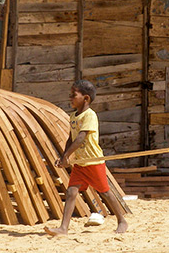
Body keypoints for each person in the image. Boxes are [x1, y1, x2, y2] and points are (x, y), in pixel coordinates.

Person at [45, 79, 128, 236]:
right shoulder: (73, 116)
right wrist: (64, 156)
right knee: (71, 192)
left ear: (86, 98)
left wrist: (67, 156)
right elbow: (71, 138)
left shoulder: (90, 115)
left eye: (73, 95)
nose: (70, 98)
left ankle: (122, 220)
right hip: (80, 163)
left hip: (93, 161)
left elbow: (81, 138)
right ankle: (63, 228)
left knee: (105, 192)